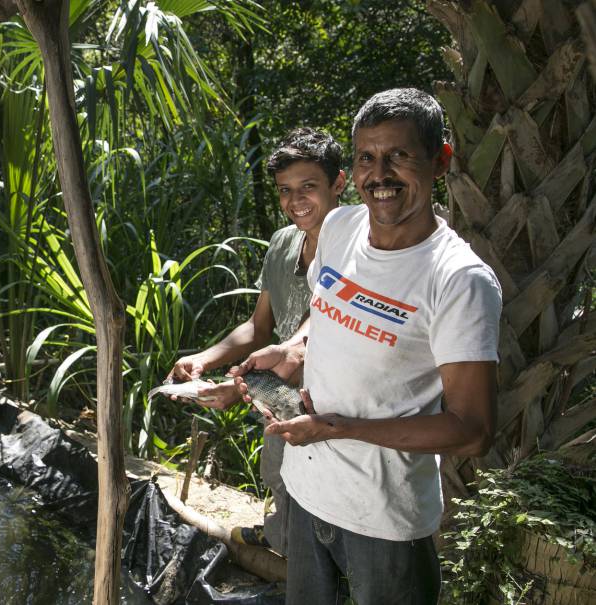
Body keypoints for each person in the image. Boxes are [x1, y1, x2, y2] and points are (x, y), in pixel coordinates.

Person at [236, 88, 502, 604]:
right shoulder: (340, 226)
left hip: (385, 519)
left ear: (440, 161)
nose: (379, 174)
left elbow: (473, 431)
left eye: (398, 155)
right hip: (308, 493)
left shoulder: (459, 280)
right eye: (366, 157)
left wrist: (342, 430)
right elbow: (329, 316)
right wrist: (292, 352)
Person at [166, 127, 346, 555]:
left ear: (338, 183)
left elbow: (318, 334)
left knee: (326, 503)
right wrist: (204, 360)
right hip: (277, 388)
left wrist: (240, 387)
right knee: (276, 471)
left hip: (335, 402)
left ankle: (313, 565)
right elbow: (258, 327)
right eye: (285, 190)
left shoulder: (360, 245)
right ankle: (281, 541)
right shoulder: (284, 242)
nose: (295, 201)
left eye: (308, 187)